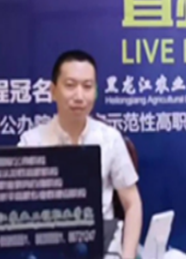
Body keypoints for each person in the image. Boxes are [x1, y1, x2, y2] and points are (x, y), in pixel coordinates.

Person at [18, 50, 142, 259]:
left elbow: (132, 204)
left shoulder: (110, 139)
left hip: (102, 247)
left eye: (87, 86)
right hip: (50, 248)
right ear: (53, 91)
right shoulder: (32, 142)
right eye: (70, 85)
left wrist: (128, 256)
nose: (79, 96)